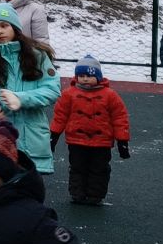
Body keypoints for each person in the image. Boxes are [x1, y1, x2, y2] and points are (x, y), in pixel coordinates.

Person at [0, 4, 61, 174]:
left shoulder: (37, 56)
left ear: (15, 27)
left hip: (28, 135)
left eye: (4, 25)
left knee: (26, 189)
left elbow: (51, 90)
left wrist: (21, 98)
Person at [50, 55, 130, 206]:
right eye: (81, 76)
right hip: (76, 140)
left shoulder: (110, 95)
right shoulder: (69, 94)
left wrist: (122, 140)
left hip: (102, 141)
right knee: (77, 167)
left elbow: (120, 118)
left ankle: (95, 195)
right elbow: (60, 116)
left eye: (89, 76)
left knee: (99, 169)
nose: (85, 79)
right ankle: (77, 193)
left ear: (98, 77)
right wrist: (53, 135)